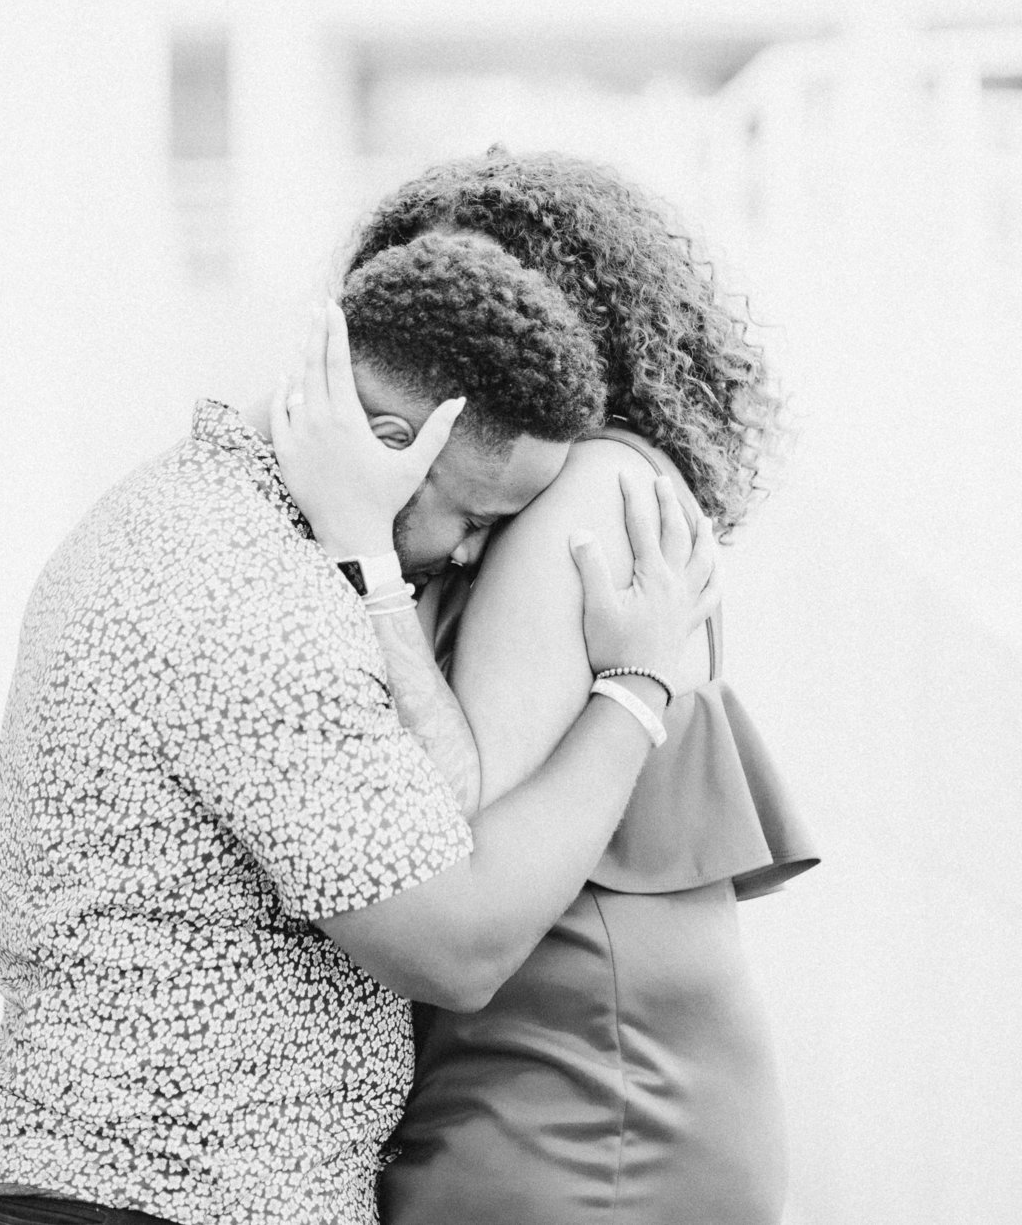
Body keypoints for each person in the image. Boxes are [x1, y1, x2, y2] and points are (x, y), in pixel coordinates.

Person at [0, 230, 718, 1225]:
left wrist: (376, 561)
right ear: (392, 446)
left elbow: (428, 807)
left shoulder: (211, 520)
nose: (482, 553)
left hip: (133, 1182)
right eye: (479, 516)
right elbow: (457, 947)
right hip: (162, 1191)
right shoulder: (245, 589)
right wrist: (636, 686)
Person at [328, 150, 819, 1225]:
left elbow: (451, 805)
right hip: (562, 1071)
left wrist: (364, 556)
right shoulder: (565, 492)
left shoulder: (592, 492)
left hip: (582, 1100)